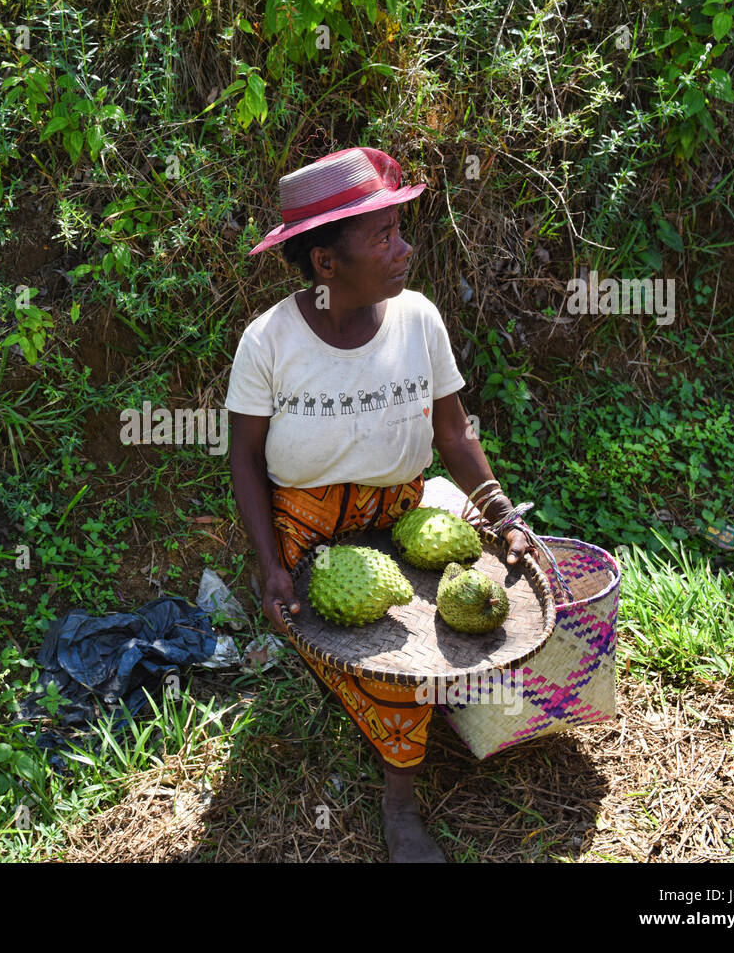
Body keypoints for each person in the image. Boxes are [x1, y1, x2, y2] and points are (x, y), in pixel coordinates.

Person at [225, 146, 540, 862]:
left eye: (401, 228)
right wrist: (272, 566)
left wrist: (501, 515)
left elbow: (453, 434)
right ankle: (401, 805)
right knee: (395, 668)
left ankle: (459, 707)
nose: (405, 249)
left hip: (404, 509)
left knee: (485, 592)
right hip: (310, 530)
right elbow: (243, 458)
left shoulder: (418, 320)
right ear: (325, 264)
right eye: (384, 236)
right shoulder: (270, 343)